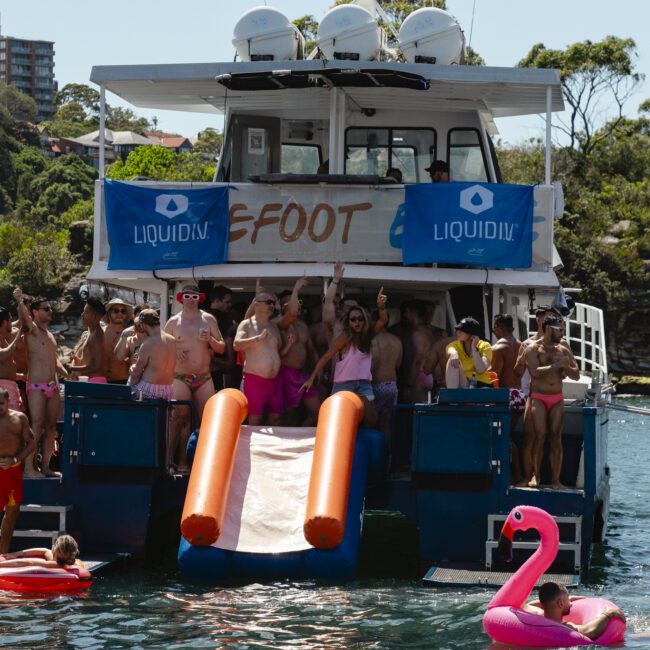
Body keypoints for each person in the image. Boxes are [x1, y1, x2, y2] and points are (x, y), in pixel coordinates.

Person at [301, 288, 388, 428]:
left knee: (371, 420)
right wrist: (311, 378)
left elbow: (383, 320)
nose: (357, 322)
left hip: (364, 385)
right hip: (344, 384)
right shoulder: (345, 337)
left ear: (364, 320)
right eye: (353, 319)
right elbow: (327, 356)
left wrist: (381, 306)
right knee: (340, 421)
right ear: (348, 322)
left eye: (360, 319)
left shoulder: (367, 336)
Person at [164, 285, 224, 471]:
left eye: (195, 296)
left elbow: (221, 348)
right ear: (181, 298)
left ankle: (192, 462)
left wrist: (210, 340)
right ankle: (168, 461)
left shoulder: (208, 319)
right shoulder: (173, 322)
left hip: (204, 377)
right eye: (188, 296)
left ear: (200, 298)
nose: (191, 299)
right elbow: (162, 346)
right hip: (180, 376)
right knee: (178, 418)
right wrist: (177, 348)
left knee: (206, 419)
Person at [13, 287, 68, 478]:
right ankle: (29, 469)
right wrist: (20, 300)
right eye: (46, 309)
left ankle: (45, 466)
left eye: (50, 308)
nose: (50, 311)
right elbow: (25, 319)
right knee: (35, 425)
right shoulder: (33, 331)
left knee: (51, 426)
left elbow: (54, 361)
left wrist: (68, 373)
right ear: (35, 312)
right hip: (35, 386)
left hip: (52, 386)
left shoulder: (50, 335)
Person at [234, 279, 304, 426]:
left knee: (276, 418)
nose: (272, 305)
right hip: (255, 380)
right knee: (255, 420)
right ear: (256, 304)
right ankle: (254, 449)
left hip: (274, 381)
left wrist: (288, 347)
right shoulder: (246, 324)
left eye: (273, 303)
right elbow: (236, 345)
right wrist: (256, 339)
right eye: (268, 302)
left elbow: (277, 354)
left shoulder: (274, 326)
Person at [523, 314, 580, 489]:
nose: (563, 333)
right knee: (539, 437)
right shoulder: (532, 348)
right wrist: (555, 367)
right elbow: (534, 372)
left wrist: (566, 366)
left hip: (556, 398)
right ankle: (536, 476)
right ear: (549, 329)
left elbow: (576, 375)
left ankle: (556, 480)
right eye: (560, 329)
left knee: (556, 438)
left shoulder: (563, 349)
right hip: (539, 397)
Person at [0, 387, 36, 553]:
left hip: (13, 471)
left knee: (11, 517)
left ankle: (2, 557)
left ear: (8, 402)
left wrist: (15, 459)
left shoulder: (20, 418)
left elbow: (31, 443)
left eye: (1, 403)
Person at [277, 290, 321, 426]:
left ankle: (300, 435)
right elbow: (290, 316)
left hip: (303, 374)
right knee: (288, 413)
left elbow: (312, 350)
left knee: (317, 412)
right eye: (293, 302)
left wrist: (318, 368)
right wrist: (297, 287)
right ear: (283, 306)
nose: (297, 305)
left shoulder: (303, 326)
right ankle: (285, 442)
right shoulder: (279, 324)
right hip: (286, 373)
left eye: (299, 302)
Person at [525, 582, 625, 641]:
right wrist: (609, 614)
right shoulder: (563, 627)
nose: (571, 603)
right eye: (568, 598)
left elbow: (530, 604)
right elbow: (590, 632)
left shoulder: (536, 614)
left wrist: (566, 599)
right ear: (560, 604)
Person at [491, 313, 525, 483]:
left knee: (505, 437)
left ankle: (515, 476)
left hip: (505, 395)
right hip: (519, 395)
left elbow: (495, 375)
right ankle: (514, 475)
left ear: (497, 327)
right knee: (508, 435)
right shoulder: (522, 346)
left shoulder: (498, 348)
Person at [130, 309, 177, 401]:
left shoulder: (148, 344)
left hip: (149, 389)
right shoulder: (172, 340)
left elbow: (136, 372)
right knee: (163, 415)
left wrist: (133, 368)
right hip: (168, 389)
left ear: (143, 325)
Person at [370, 316, 402, 441]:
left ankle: (374, 456)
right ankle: (387, 456)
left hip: (376, 385)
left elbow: (372, 363)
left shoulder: (373, 340)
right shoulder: (397, 340)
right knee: (386, 424)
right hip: (392, 385)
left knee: (371, 423)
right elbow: (398, 364)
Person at [400, 300, 436, 403]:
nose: (405, 315)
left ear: (413, 313)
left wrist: (409, 383)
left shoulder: (418, 333)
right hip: (426, 375)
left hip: (419, 376)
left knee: (416, 410)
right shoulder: (427, 331)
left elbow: (418, 359)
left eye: (407, 312)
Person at [445, 317, 492, 389]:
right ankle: (452, 397)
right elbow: (450, 349)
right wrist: (454, 354)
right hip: (465, 384)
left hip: (481, 384)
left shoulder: (485, 346)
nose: (458, 332)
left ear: (472, 335)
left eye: (462, 331)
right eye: (458, 330)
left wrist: (474, 348)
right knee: (452, 361)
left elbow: (481, 369)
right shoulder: (456, 344)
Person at [68, 297, 107, 381]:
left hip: (95, 382)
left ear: (95, 316)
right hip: (90, 381)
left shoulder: (97, 336)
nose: (82, 314)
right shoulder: (91, 333)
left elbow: (96, 366)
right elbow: (89, 361)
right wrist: (78, 361)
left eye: (86, 312)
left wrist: (74, 368)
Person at [209, 285, 238, 390]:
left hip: (221, 370)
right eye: (227, 302)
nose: (230, 305)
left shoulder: (228, 319)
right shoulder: (202, 318)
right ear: (216, 300)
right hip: (205, 373)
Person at [0, 533, 80, 568]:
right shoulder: (67, 560)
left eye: (55, 543)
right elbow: (45, 551)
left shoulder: (51, 564)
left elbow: (26, 562)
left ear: (55, 550)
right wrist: (16, 554)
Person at [102, 298, 134, 384]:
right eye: (116, 311)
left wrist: (127, 359)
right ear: (109, 313)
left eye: (123, 311)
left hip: (123, 381)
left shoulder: (130, 335)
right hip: (100, 380)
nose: (120, 314)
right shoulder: (100, 333)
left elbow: (137, 361)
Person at [0, 307, 24, 412]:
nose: (11, 323)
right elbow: (2, 355)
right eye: (10, 320)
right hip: (3, 389)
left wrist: (20, 376)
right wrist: (18, 337)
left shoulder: (1, 338)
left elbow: (4, 366)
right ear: (5, 322)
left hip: (10, 386)